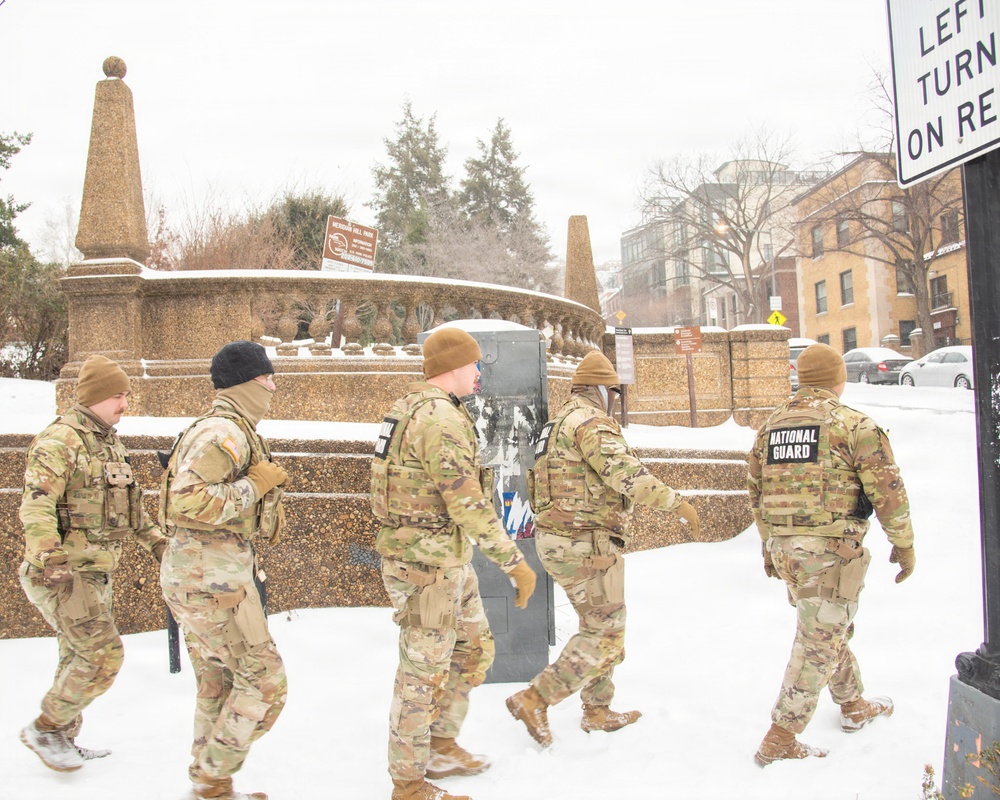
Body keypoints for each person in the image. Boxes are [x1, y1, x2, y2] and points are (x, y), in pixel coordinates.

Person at [371, 326, 538, 800]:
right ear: (453, 366)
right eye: (475, 363)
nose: (480, 370)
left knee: (473, 651)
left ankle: (440, 745)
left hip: (445, 561)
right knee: (421, 676)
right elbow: (466, 503)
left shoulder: (411, 408)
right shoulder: (439, 420)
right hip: (427, 570)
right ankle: (408, 785)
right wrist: (515, 564)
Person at [506, 350, 700, 747]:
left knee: (600, 624)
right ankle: (534, 699)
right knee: (605, 632)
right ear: (600, 390)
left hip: (564, 540)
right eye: (615, 392)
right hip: (583, 543)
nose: (617, 400)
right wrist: (676, 503)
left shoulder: (557, 423)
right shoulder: (589, 421)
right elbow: (624, 473)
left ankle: (597, 709)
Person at [747, 342, 916, 766]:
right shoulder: (852, 424)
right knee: (816, 642)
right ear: (838, 381)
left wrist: (769, 546)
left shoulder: (771, 427)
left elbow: (756, 491)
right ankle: (781, 738)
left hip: (786, 549)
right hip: (829, 553)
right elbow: (887, 492)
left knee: (826, 630)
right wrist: (905, 543)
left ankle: (854, 704)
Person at [18, 354, 168, 772]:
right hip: (66, 573)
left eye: (126, 395)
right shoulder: (60, 440)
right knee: (103, 656)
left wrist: (159, 545)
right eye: (119, 395)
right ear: (97, 396)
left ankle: (61, 739)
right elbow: (36, 504)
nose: (125, 403)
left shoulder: (109, 442)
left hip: (95, 572)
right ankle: (46, 728)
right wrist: (50, 557)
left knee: (76, 657)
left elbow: (132, 508)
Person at [160, 341, 289, 800]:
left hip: (202, 579)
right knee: (266, 685)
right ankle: (211, 778)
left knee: (218, 683)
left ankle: (209, 786)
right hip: (212, 584)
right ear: (251, 382)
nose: (274, 387)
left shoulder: (225, 428)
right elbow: (187, 502)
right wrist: (254, 486)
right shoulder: (225, 434)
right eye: (269, 378)